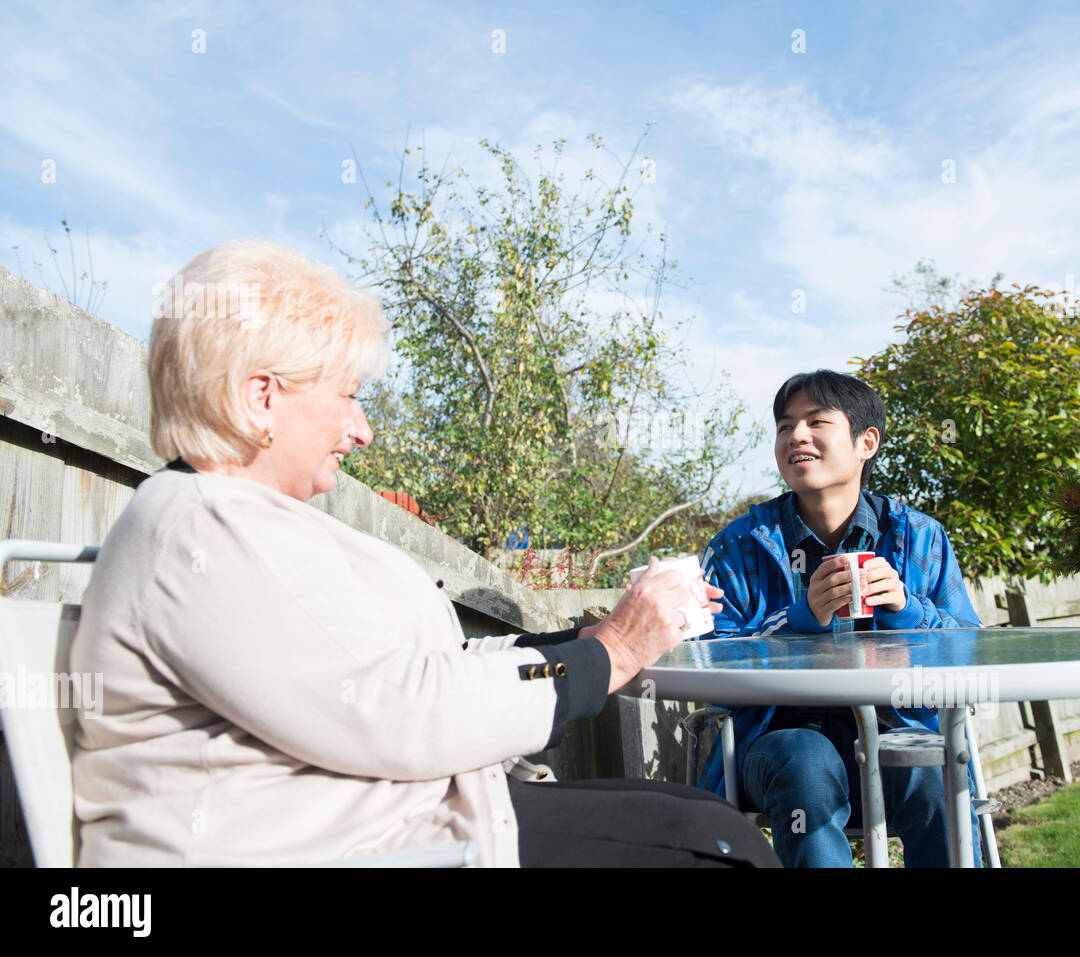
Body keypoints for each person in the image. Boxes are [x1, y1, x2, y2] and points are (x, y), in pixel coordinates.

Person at [69, 239, 778, 868]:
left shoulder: (244, 522)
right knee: (711, 845)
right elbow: (391, 711)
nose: (363, 428)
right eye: (348, 395)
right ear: (261, 398)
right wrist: (610, 653)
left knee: (707, 819)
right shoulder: (198, 530)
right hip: (357, 844)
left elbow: (418, 672)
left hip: (399, 820)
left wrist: (595, 640)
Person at [696, 369, 983, 867]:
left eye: (816, 422)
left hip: (896, 731)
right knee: (805, 763)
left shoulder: (917, 536)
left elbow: (971, 652)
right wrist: (798, 620)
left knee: (933, 767)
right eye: (785, 427)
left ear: (865, 442)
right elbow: (706, 666)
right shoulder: (738, 546)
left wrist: (907, 610)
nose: (796, 437)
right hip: (776, 745)